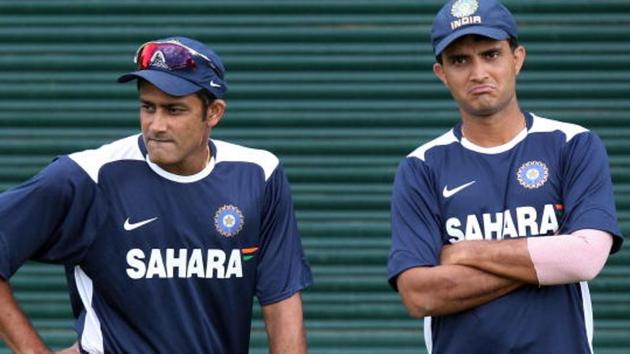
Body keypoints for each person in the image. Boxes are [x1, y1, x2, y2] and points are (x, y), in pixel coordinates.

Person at [0, 36, 312, 354]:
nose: (156, 125)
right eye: (148, 107)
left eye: (174, 110)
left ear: (214, 113)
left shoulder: (259, 174)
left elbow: (282, 305)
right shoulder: (89, 176)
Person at [387, 1, 624, 353]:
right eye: (460, 60)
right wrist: (546, 258)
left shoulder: (572, 144)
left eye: (491, 54)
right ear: (441, 73)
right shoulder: (422, 166)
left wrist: (464, 252)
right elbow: (420, 294)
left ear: (517, 58)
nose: (478, 72)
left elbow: (584, 259)